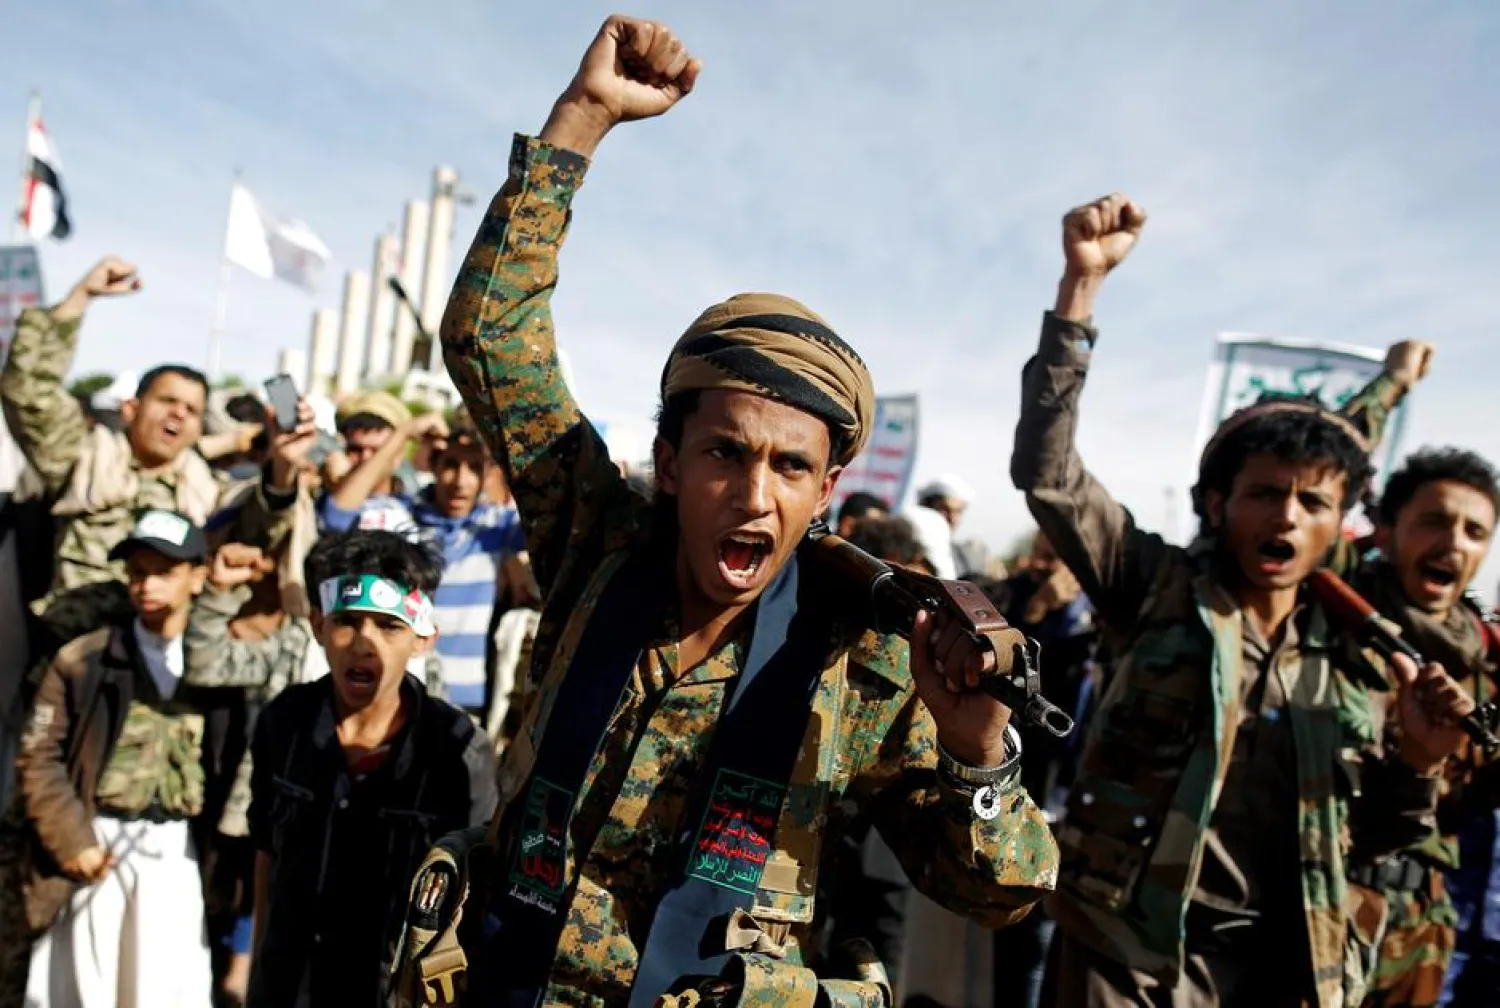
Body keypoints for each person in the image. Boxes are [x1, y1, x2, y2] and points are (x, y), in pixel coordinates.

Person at [419, 16, 1057, 1006]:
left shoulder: (869, 660)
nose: (755, 497)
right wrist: (582, 120)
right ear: (669, 461)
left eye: (790, 469)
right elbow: (490, 341)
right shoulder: (598, 542)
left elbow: (999, 893)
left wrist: (977, 750)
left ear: (827, 488)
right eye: (725, 453)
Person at [1012, 193, 1472, 1007]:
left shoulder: (1364, 648)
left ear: (1341, 524)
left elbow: (1377, 839)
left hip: (1291, 966)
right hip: (1129, 952)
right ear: (1218, 505)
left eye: (1313, 503)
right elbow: (1051, 475)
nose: (1288, 516)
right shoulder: (1154, 587)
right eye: (1264, 494)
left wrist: (1418, 763)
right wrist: (1080, 290)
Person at [0, 258, 313, 650]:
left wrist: (284, 462)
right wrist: (79, 299)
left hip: (161, 673)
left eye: (192, 410)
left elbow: (260, 528)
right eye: (167, 401)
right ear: (131, 408)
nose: (178, 414)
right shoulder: (84, 457)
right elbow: (28, 392)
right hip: (70, 654)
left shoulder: (208, 494)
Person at [245, 530, 498, 1008]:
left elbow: (475, 899)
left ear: (423, 639)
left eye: (388, 625)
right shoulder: (284, 723)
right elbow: (266, 858)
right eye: (347, 621)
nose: (363, 643)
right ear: (318, 625)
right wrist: (258, 970)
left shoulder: (460, 752)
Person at [3, 510, 216, 1008]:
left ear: (197, 577)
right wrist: (74, 840)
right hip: (100, 840)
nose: (147, 585)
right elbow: (40, 754)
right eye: (138, 571)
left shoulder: (214, 662)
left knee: (168, 985)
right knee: (87, 987)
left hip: (176, 848)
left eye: (164, 571)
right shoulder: (85, 659)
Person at [1348, 448, 1500, 1007]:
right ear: (1386, 531)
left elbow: (1462, 805)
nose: (1454, 543)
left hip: (1419, 938)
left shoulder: (1484, 670)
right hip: (1314, 919)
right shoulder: (1326, 627)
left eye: (1474, 531)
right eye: (1434, 521)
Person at [182, 492, 324, 1006]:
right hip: (258, 812)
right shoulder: (291, 646)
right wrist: (219, 592)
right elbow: (204, 661)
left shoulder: (412, 670)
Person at [409, 427, 526, 716]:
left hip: (466, 700)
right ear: (433, 465)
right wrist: (403, 434)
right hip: (407, 689)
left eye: (474, 468)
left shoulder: (498, 525)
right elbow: (338, 514)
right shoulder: (403, 519)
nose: (461, 482)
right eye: (450, 465)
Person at [320, 390, 445, 534]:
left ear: (398, 455)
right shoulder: (324, 498)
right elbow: (336, 517)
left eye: (377, 452)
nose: (366, 459)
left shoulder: (418, 507)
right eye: (355, 449)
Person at [917, 474, 983, 576]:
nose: (952, 518)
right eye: (945, 509)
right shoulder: (908, 550)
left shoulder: (961, 556)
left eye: (958, 511)